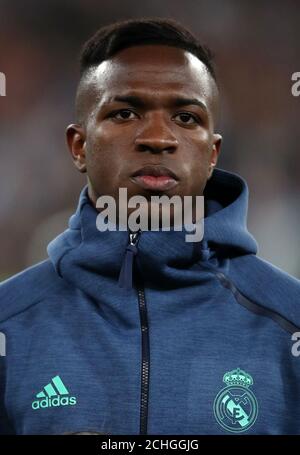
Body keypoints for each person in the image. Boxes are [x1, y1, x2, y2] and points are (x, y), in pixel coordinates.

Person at [0, 17, 300, 436]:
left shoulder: (289, 321)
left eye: (186, 118)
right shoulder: (9, 323)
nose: (158, 137)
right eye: (125, 113)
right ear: (79, 146)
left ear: (213, 154)